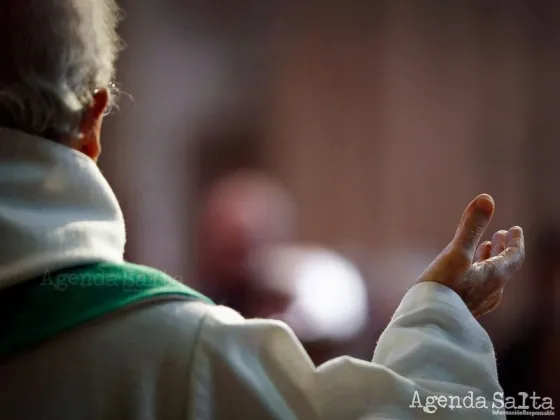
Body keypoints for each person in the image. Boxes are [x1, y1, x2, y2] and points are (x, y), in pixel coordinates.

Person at [0, 1, 525, 419]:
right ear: (93, 124)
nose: (237, 256)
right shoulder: (181, 352)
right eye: (225, 241)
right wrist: (441, 319)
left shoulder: (296, 290)